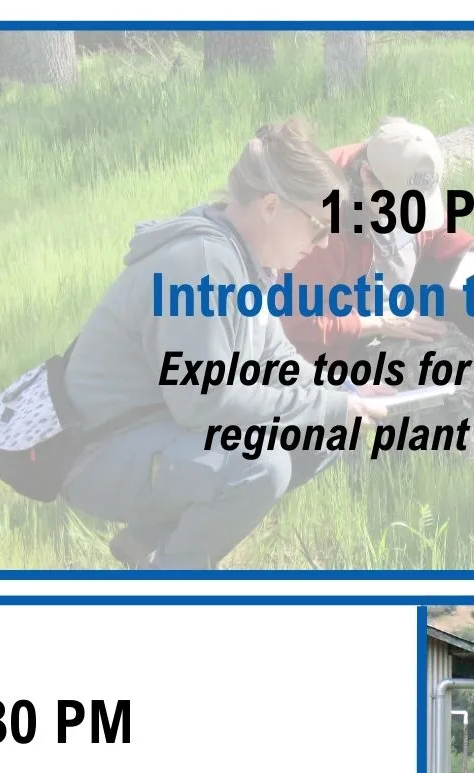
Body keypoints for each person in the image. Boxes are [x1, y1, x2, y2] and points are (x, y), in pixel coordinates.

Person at [59, 119, 384, 569]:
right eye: (317, 227)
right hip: (100, 450)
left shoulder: (245, 260)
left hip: (158, 429)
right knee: (261, 465)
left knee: (325, 428)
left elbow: (277, 359)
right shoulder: (204, 265)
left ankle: (150, 544)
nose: (324, 242)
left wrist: (344, 397)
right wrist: (326, 405)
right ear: (272, 207)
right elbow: (206, 401)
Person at [281, 117, 474, 438]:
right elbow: (298, 322)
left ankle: (468, 421)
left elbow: (434, 232)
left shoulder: (401, 171)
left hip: (391, 296)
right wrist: (377, 323)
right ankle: (396, 444)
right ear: (367, 176)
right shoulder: (322, 218)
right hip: (337, 327)